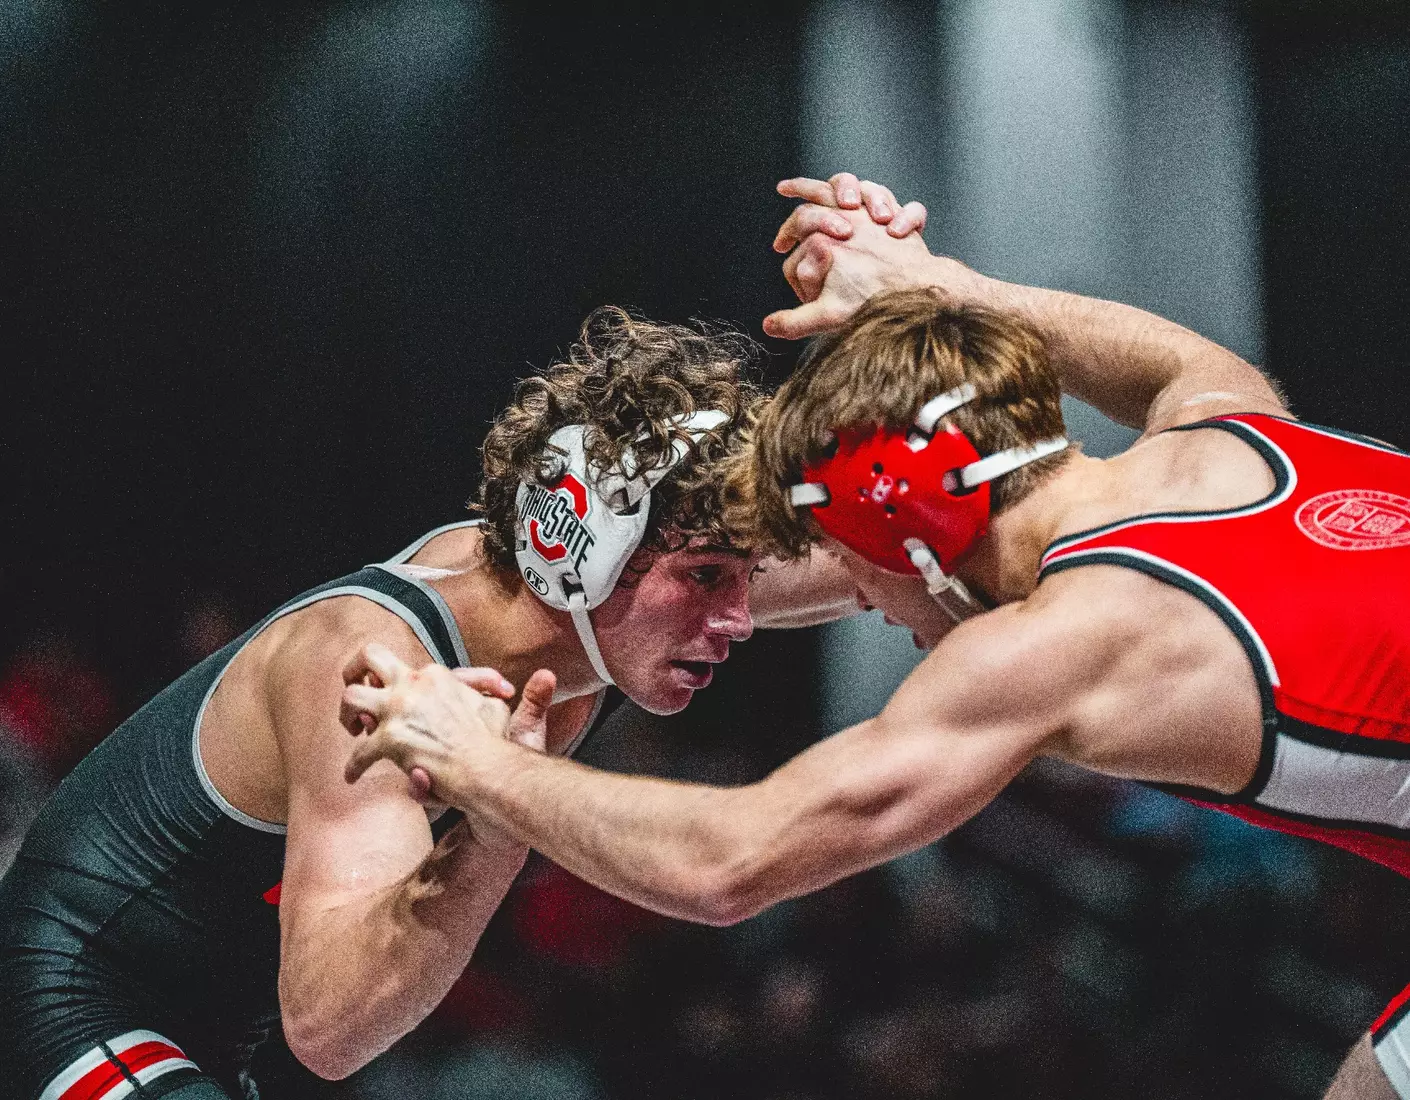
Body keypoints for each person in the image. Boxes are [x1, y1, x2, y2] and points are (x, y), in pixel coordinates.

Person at [339, 176, 1410, 1100]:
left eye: (863, 577)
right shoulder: (1236, 435)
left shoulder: (1070, 638)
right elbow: (1177, 360)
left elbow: (732, 860)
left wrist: (470, 757)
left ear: (923, 548)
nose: (878, 614)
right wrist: (942, 286)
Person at [0, 292, 930, 1100]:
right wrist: (500, 810)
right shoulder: (374, 664)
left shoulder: (608, 607)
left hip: (205, 1027)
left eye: (740, 577)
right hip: (55, 1003)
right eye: (709, 577)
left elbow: (896, 553)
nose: (738, 619)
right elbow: (330, 1023)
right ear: (595, 559)